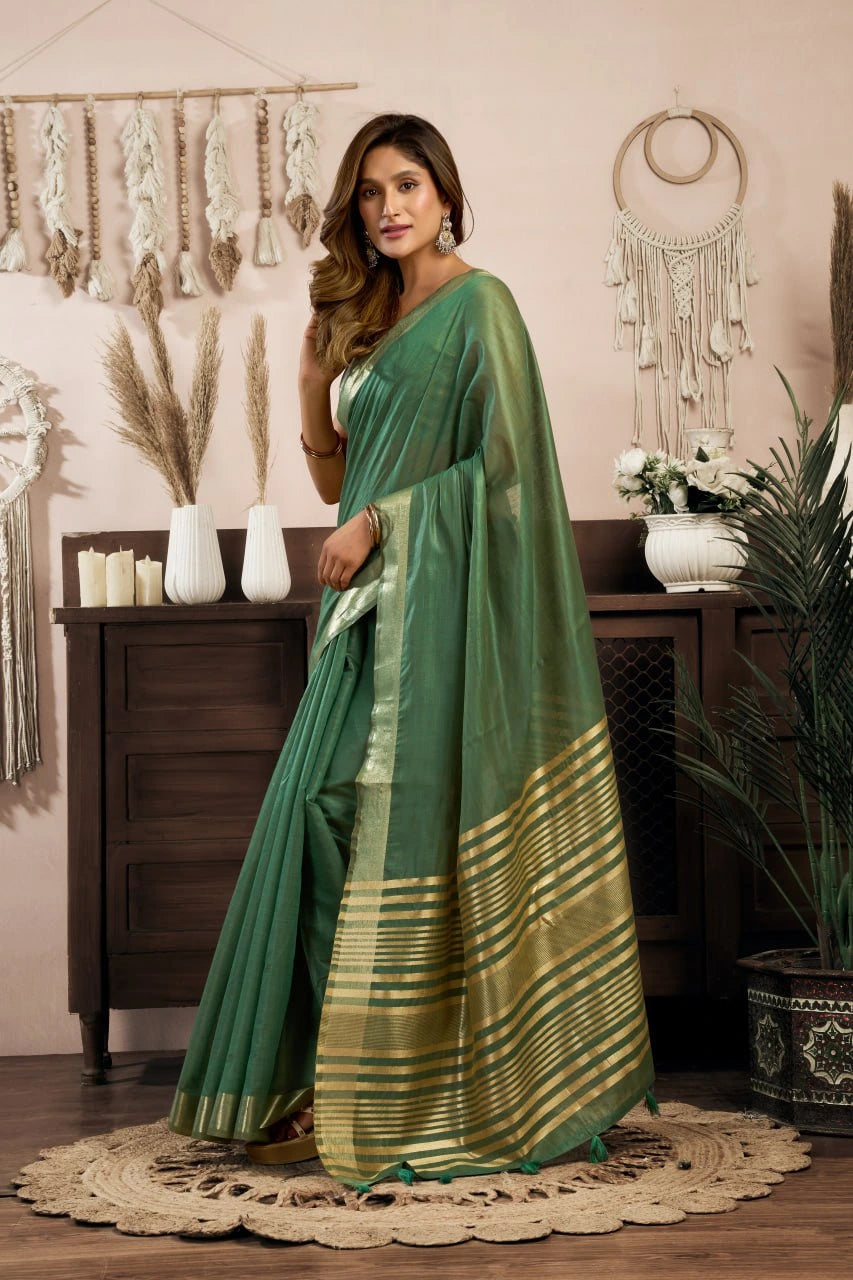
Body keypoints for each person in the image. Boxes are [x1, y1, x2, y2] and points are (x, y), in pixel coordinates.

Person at [167, 112, 657, 1189]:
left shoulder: (481, 307)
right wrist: (308, 388)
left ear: (446, 194)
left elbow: (508, 473)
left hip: (442, 612)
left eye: (407, 185)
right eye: (370, 194)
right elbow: (338, 481)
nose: (389, 207)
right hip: (366, 617)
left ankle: (418, 1080)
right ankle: (336, 1076)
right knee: (317, 813)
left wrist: (389, 523)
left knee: (378, 815)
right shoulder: (368, 315)